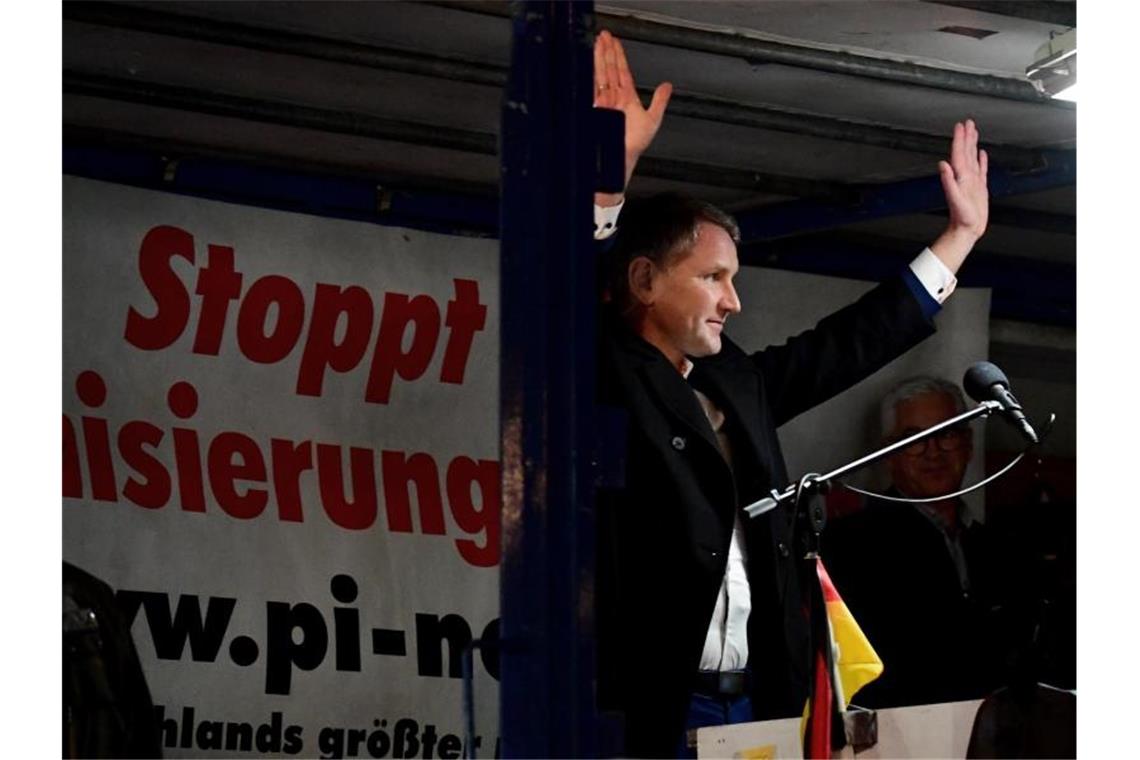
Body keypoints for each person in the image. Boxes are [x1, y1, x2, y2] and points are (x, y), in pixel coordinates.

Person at [589, 31, 990, 757]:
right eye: (713, 278)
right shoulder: (604, 371)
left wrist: (959, 239)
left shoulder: (734, 383)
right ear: (645, 282)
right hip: (650, 710)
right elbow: (564, 298)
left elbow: (846, 345)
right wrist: (606, 183)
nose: (732, 301)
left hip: (760, 705)